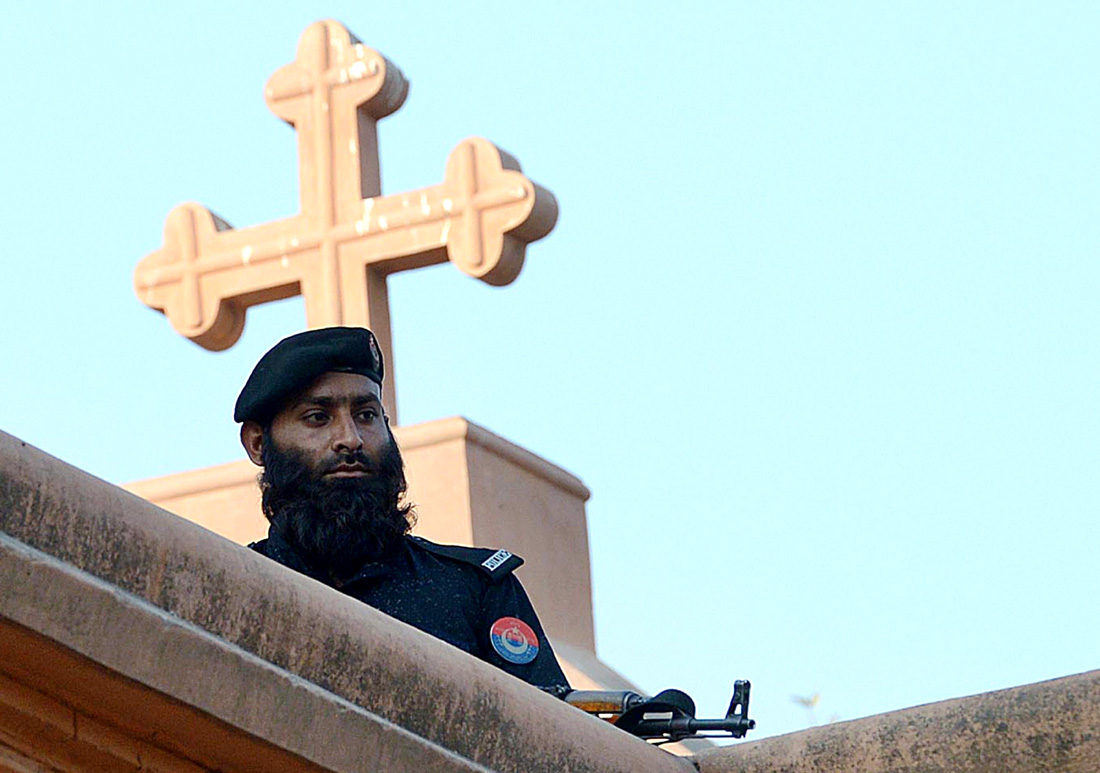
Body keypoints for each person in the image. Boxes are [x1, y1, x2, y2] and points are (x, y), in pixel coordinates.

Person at [236, 326, 569, 691]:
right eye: (318, 417)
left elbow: (556, 735)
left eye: (366, 414)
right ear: (257, 443)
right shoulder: (233, 586)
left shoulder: (474, 591)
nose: (351, 439)